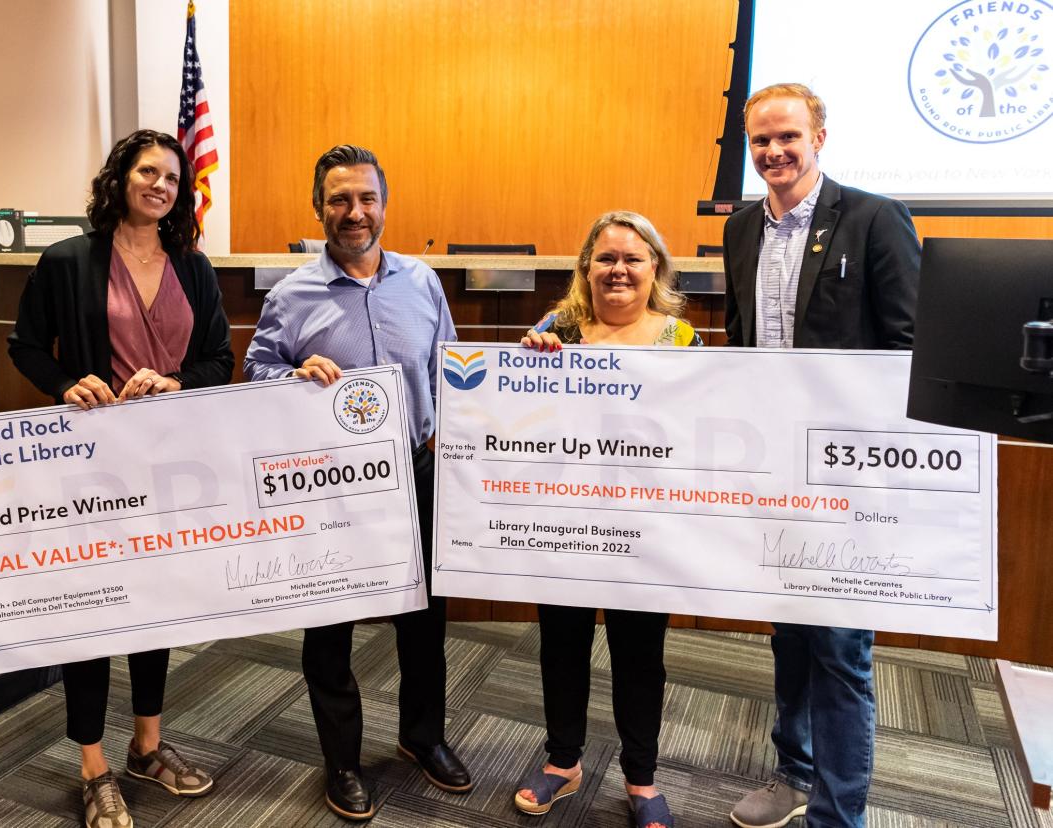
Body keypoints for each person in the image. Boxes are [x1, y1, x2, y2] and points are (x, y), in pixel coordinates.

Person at [8, 128, 234, 828]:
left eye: (172, 176)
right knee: (92, 609)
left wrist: (173, 382)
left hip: (168, 462)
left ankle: (147, 746)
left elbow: (219, 359)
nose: (160, 184)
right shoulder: (69, 260)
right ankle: (94, 766)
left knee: (153, 604)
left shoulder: (192, 267)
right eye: (147, 171)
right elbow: (24, 345)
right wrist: (67, 382)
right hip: (92, 466)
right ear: (120, 178)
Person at [244, 144, 469, 821]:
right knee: (330, 623)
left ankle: (421, 739)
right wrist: (292, 376)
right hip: (332, 482)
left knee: (425, 618)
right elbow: (254, 375)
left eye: (366, 199)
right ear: (318, 209)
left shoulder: (422, 282)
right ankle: (340, 760)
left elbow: (449, 368)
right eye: (340, 200)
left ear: (384, 205)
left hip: (415, 468)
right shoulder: (291, 296)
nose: (355, 213)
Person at [722, 84, 919, 828]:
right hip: (770, 468)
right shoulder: (741, 229)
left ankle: (839, 814)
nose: (774, 152)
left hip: (847, 476)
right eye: (761, 141)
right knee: (789, 634)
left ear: (820, 138)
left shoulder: (872, 219)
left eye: (788, 138)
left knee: (840, 646)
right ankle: (793, 773)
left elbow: (908, 348)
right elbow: (741, 345)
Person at [514, 211, 698, 828]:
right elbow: (515, 417)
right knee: (561, 644)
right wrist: (529, 361)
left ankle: (642, 781)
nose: (618, 269)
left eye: (634, 258)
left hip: (643, 528)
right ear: (585, 268)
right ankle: (562, 763)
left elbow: (701, 433)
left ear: (655, 269)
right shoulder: (556, 329)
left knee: (640, 653)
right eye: (606, 258)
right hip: (564, 521)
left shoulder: (681, 340)